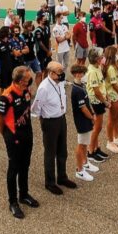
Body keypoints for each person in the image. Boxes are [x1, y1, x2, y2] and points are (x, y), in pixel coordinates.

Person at [0, 66, 38, 219]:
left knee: (25, 165)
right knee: (13, 168)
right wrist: (6, 136)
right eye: (28, 79)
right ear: (21, 81)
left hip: (27, 133)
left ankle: (24, 194)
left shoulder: (26, 90)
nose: (30, 81)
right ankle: (13, 202)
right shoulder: (6, 96)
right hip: (13, 136)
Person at [31, 61, 75, 195]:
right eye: (60, 72)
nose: (62, 74)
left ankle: (62, 177)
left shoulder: (59, 82)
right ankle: (50, 182)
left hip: (61, 118)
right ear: (51, 73)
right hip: (50, 121)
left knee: (63, 150)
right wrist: (43, 119)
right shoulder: (44, 87)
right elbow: (36, 107)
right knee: (50, 153)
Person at [69, 64, 98, 182]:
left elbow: (87, 103)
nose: (84, 76)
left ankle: (85, 162)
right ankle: (79, 170)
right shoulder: (77, 90)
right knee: (81, 145)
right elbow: (83, 108)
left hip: (86, 119)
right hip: (82, 121)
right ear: (77, 74)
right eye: (82, 74)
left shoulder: (82, 86)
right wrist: (92, 117)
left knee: (85, 143)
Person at [85, 49, 109, 163]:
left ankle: (96, 147)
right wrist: (105, 101)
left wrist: (106, 96)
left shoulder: (97, 68)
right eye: (101, 56)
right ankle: (90, 151)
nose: (103, 58)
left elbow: (101, 85)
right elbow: (96, 90)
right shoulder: (92, 71)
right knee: (97, 127)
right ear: (96, 59)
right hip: (96, 101)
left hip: (100, 99)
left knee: (98, 127)